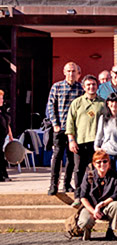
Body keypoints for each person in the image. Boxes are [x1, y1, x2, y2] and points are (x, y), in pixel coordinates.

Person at [46, 61, 83, 195]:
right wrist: (55, 124)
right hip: (60, 128)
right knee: (57, 156)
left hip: (74, 130)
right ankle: (53, 184)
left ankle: (67, 184)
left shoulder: (81, 89)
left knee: (71, 158)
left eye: (73, 71)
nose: (71, 74)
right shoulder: (57, 87)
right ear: (64, 72)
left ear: (78, 73)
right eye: (69, 71)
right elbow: (51, 106)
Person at [66, 74, 105, 199]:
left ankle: (95, 195)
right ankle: (78, 196)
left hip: (97, 143)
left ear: (97, 86)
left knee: (97, 168)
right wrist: (71, 140)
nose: (91, 87)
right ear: (83, 87)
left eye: (93, 84)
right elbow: (70, 123)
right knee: (79, 169)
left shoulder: (102, 103)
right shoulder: (77, 103)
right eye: (88, 85)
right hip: (80, 141)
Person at [76, 150, 117, 241]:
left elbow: (116, 195)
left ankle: (110, 230)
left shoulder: (115, 175)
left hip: (106, 206)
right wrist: (94, 211)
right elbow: (83, 197)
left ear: (109, 163)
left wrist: (101, 205)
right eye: (99, 162)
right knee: (84, 222)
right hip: (91, 207)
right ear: (94, 164)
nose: (102, 164)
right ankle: (86, 233)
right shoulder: (89, 176)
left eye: (105, 161)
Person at [94, 93, 117, 177]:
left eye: (116, 102)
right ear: (108, 103)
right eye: (112, 102)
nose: (114, 104)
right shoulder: (103, 118)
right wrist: (97, 148)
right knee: (108, 177)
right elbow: (99, 135)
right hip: (107, 153)